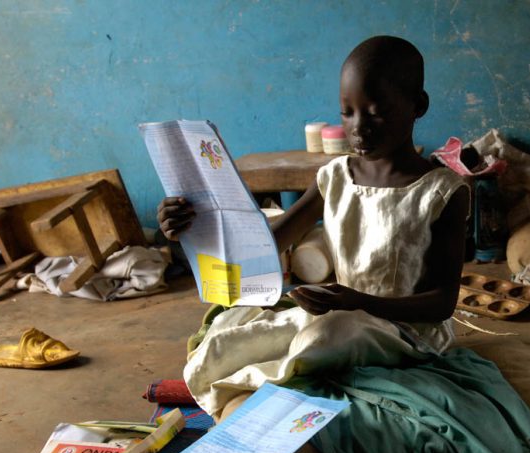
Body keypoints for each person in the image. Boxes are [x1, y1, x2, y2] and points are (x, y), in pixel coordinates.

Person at [157, 35, 471, 420]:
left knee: (324, 338)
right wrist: (190, 226)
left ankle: (272, 402)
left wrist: (359, 303)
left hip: (402, 331)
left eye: (376, 113)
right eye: (347, 112)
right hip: (338, 309)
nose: (359, 128)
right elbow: (264, 246)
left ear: (417, 106)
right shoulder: (335, 176)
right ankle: (251, 383)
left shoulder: (442, 191)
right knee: (225, 337)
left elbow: (442, 303)